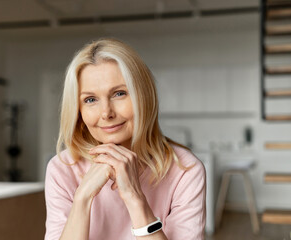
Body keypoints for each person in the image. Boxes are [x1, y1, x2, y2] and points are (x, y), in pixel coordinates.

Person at [44, 38, 206, 240]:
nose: (106, 113)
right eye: (90, 99)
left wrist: (134, 197)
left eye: (119, 93)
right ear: (79, 111)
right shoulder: (63, 169)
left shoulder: (185, 171)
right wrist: (82, 199)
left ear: (143, 96)